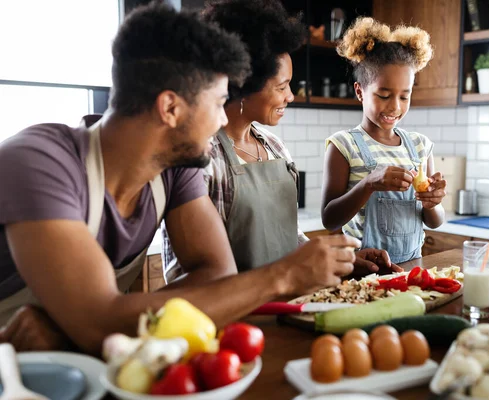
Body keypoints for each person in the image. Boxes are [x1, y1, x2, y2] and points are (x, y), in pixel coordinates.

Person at [0, 3, 360, 354]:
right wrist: (282, 276)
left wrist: (77, 324)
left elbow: (218, 276)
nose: (222, 120)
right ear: (170, 108)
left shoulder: (175, 167)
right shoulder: (38, 163)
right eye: (219, 102)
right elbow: (98, 322)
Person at [162, 0, 401, 281]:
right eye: (282, 86)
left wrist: (343, 261)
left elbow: (286, 239)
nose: (290, 96)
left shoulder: (275, 147)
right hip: (235, 318)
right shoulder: (203, 158)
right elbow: (181, 275)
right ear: (244, 84)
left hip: (290, 306)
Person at [321, 17, 448, 264]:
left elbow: (434, 221)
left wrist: (433, 203)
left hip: (412, 268)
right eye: (384, 95)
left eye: (404, 96)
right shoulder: (343, 146)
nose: (395, 107)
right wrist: (368, 183)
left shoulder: (421, 146)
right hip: (363, 273)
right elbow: (329, 219)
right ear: (360, 92)